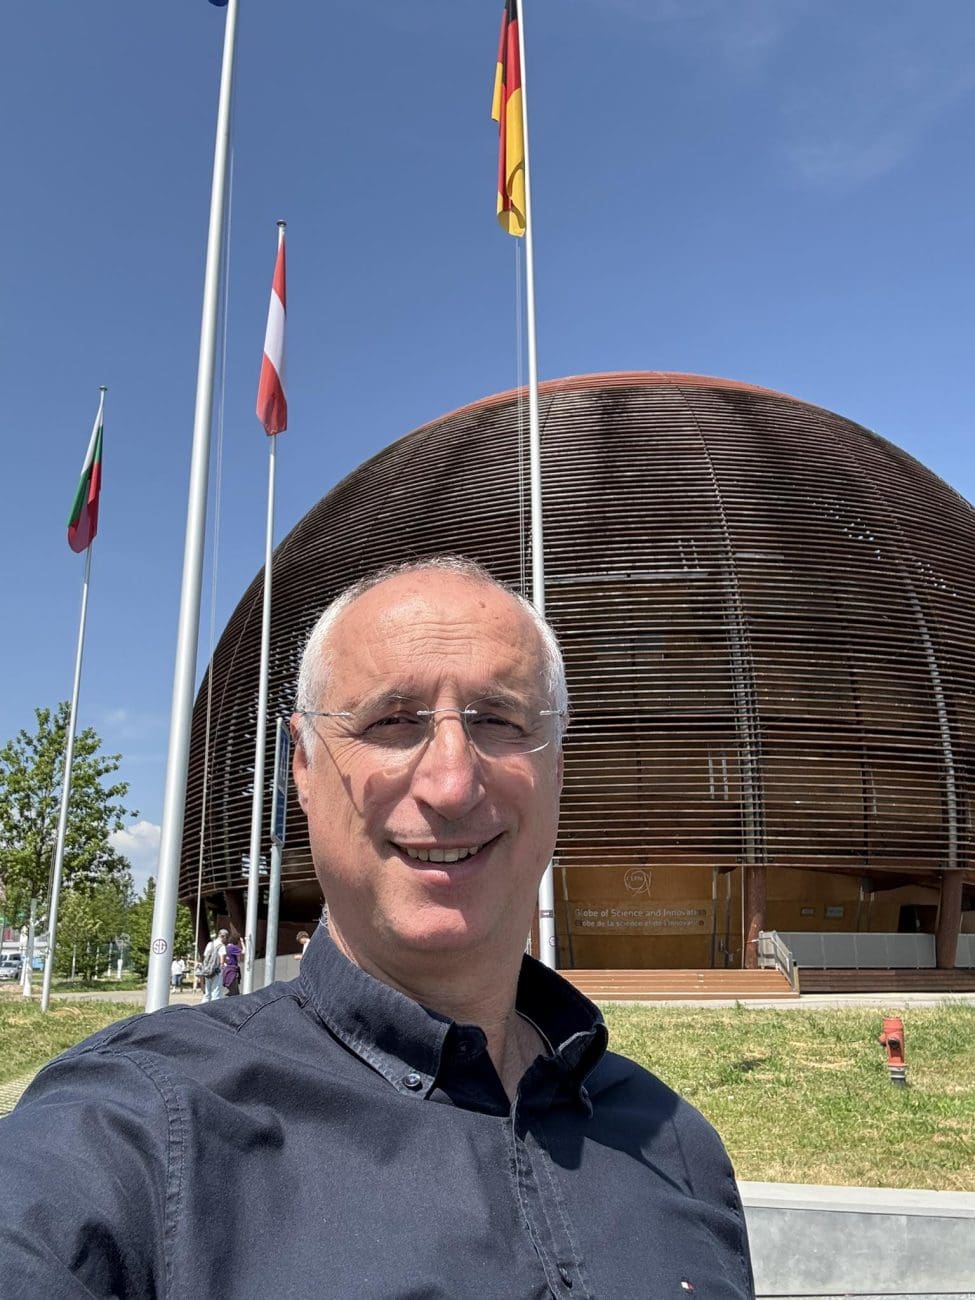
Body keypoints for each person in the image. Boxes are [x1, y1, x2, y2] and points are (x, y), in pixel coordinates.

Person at [0, 557, 754, 1297]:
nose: (452, 784)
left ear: (557, 765)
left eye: (498, 720)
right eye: (393, 721)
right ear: (302, 765)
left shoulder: (676, 1144)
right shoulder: (139, 1132)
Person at [200, 928, 227, 1002]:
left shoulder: (210, 944)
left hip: (207, 970)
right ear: (223, 936)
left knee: (207, 992)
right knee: (215, 991)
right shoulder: (222, 946)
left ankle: (203, 1005)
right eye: (226, 937)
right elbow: (222, 960)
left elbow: (205, 956)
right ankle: (214, 1007)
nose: (226, 939)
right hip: (216, 971)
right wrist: (222, 967)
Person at [222, 931, 243, 996]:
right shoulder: (233, 947)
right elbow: (244, 952)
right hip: (232, 971)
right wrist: (242, 942)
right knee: (235, 993)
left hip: (227, 970)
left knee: (233, 991)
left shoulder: (226, 947)